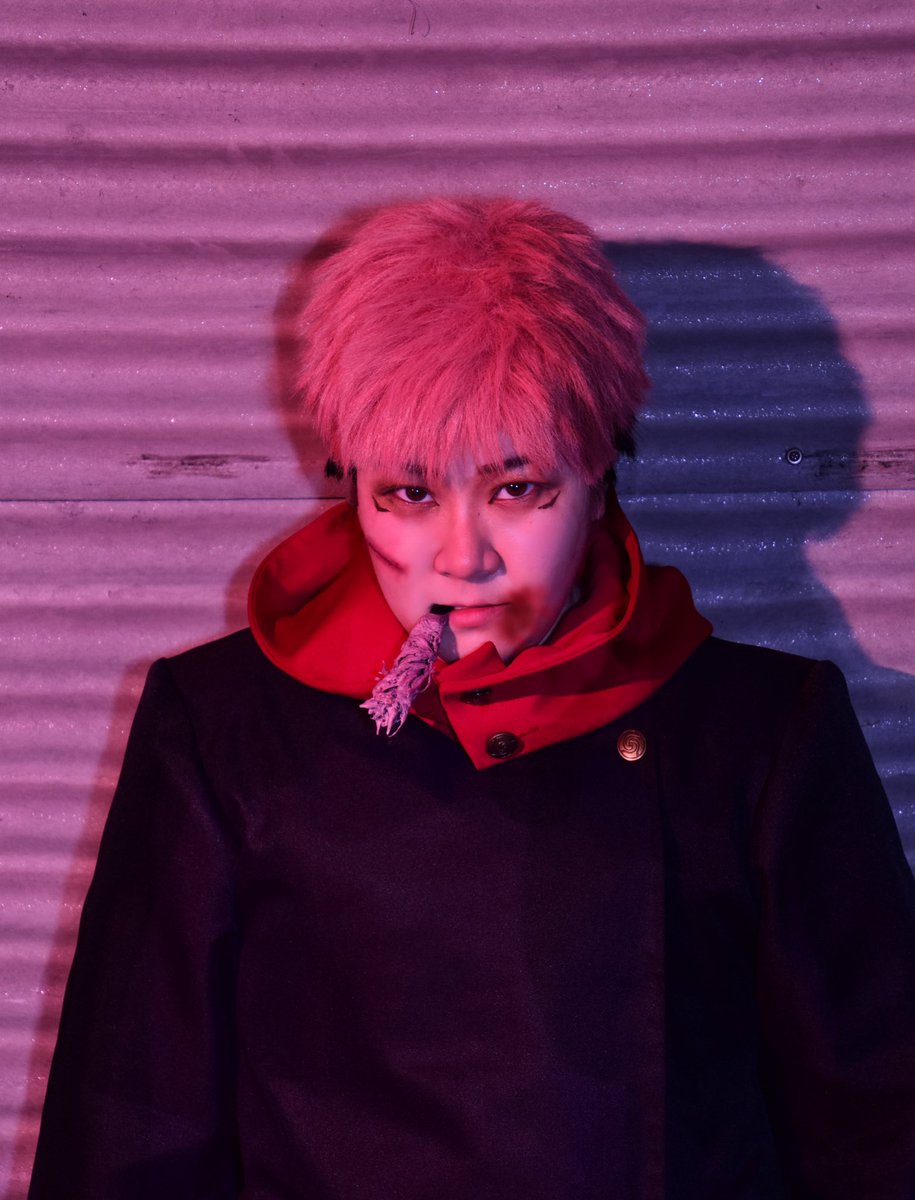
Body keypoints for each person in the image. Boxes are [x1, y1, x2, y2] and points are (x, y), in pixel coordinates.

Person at [28, 197, 915, 1199]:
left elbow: (876, 1131)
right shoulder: (222, 726)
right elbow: (131, 1132)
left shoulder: (759, 731)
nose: (464, 557)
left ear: (599, 472)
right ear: (352, 486)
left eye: (516, 488)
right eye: (410, 493)